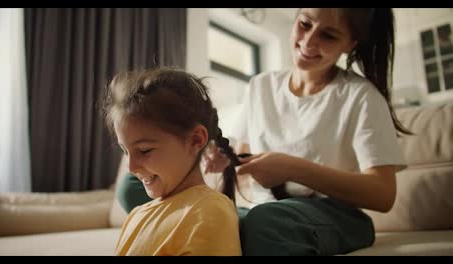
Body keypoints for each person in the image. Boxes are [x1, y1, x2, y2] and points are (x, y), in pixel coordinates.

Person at [117, 8, 412, 256]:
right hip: (265, 211)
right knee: (133, 186)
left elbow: (383, 195)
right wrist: (221, 159)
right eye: (304, 24)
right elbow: (242, 155)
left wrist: (292, 168)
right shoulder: (262, 86)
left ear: (351, 42)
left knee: (265, 222)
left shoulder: (360, 97)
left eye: (329, 35)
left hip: (333, 215)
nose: (308, 40)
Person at [102, 67, 242, 256]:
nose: (132, 167)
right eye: (125, 151)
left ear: (195, 140)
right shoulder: (136, 215)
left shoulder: (209, 212)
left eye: (144, 150)